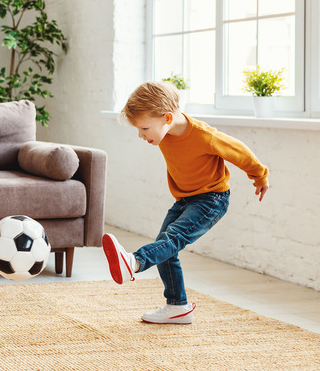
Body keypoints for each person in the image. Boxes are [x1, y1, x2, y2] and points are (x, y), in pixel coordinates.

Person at [103, 80, 269, 324]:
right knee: (166, 249)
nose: (141, 135)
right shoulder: (164, 131)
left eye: (145, 129)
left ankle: (134, 262)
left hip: (212, 200)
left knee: (171, 240)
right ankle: (177, 306)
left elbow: (239, 150)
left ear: (168, 118)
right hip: (184, 199)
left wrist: (259, 175)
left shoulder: (203, 136)